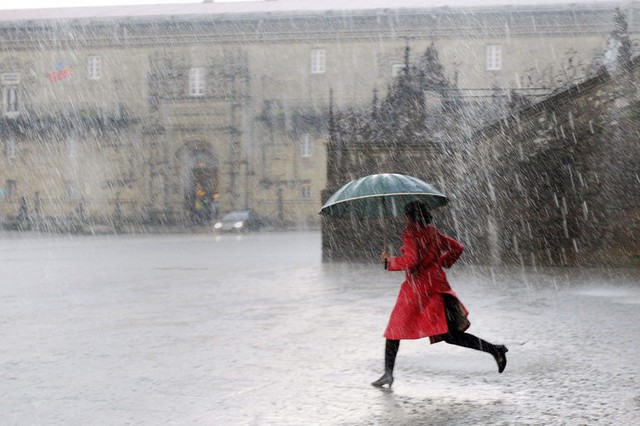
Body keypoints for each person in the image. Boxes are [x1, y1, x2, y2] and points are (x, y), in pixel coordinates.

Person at [372, 201, 507, 388]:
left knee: (394, 330)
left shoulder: (411, 234)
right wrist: (441, 262)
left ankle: (388, 373)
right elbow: (457, 248)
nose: (402, 218)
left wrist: (389, 262)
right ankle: (495, 350)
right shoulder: (432, 232)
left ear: (410, 217)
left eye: (404, 215)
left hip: (417, 291)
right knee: (449, 335)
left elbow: (411, 261)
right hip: (436, 286)